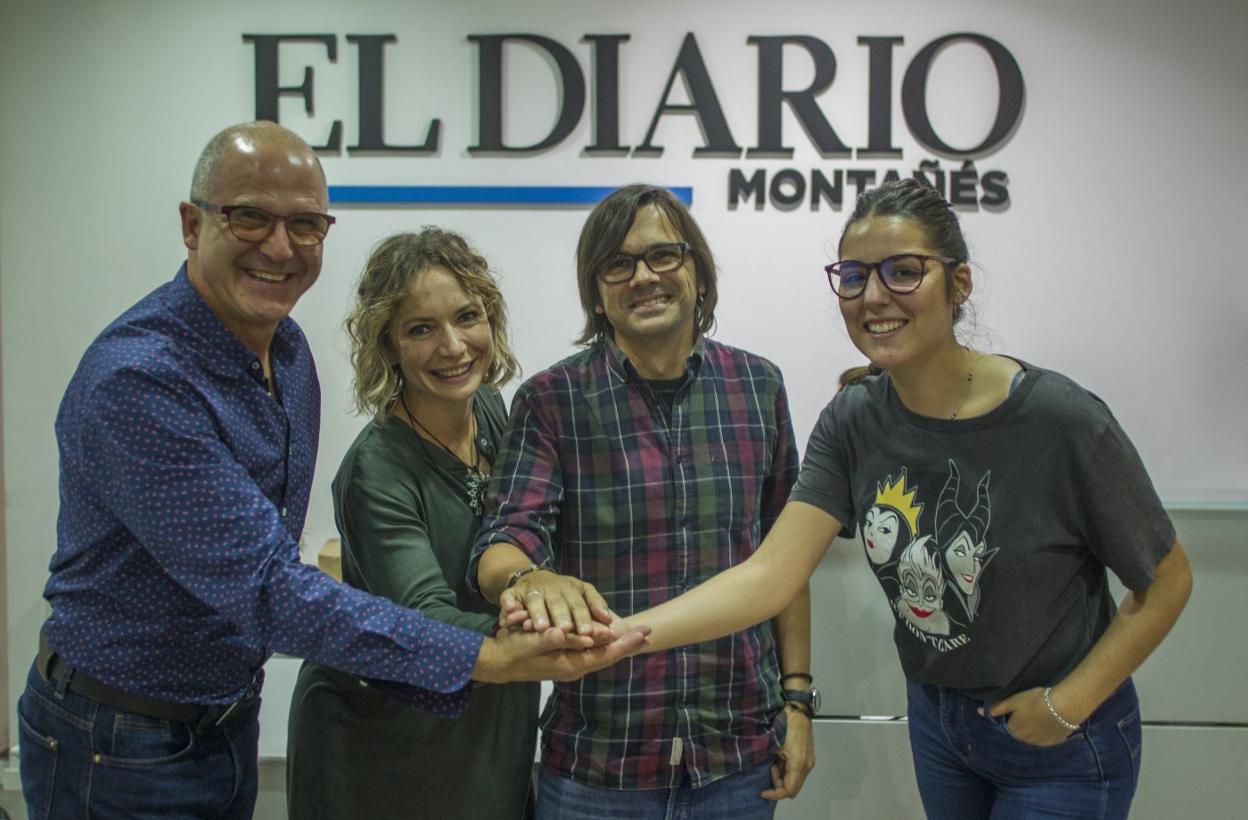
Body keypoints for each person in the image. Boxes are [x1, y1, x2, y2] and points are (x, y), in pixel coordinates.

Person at [17, 121, 646, 820]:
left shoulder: (285, 352)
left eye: (305, 224)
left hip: (224, 720)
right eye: (250, 216)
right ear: (193, 225)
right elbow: (268, 589)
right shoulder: (139, 382)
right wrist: (497, 656)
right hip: (121, 737)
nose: (280, 247)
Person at [593, 178, 1193, 819]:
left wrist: (1066, 704)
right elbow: (770, 576)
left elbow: (1168, 582)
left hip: (1061, 740)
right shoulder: (853, 420)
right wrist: (625, 635)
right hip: (941, 726)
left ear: (958, 283)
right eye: (854, 276)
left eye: (903, 272)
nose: (874, 296)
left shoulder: (1058, 418)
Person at [470, 184, 814, 819]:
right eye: (618, 264)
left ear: (697, 272)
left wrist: (799, 704)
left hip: (738, 757)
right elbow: (503, 539)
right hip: (601, 765)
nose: (644, 277)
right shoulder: (552, 399)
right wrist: (529, 575)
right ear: (596, 292)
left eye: (663, 256)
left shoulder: (758, 387)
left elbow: (785, 563)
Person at [286, 229, 540, 819]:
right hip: (384, 743)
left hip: (490, 722)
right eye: (420, 329)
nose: (453, 347)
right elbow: (424, 616)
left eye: (467, 317)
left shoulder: (495, 413)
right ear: (388, 346)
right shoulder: (376, 468)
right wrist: (552, 628)